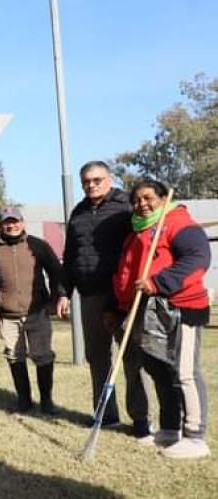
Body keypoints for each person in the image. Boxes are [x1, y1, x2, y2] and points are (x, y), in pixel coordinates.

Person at [113, 180, 211, 459]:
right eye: (137, 200)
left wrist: (159, 281)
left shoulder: (178, 222)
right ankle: (170, 428)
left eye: (148, 198)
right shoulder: (138, 231)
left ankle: (195, 437)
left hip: (182, 306)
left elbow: (198, 258)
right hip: (149, 309)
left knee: (185, 371)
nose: (142, 204)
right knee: (159, 368)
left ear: (162, 198)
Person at [61, 160, 152, 437]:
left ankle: (141, 419)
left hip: (123, 295)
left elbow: (145, 242)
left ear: (109, 179)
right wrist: (65, 292)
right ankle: (105, 415)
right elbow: (71, 255)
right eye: (86, 181)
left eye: (97, 180)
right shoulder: (78, 212)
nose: (92, 185)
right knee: (97, 358)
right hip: (90, 295)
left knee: (132, 357)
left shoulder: (127, 205)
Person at [0, 207, 67, 415]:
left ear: (22, 223)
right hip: (7, 314)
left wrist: (56, 297)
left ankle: (46, 401)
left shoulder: (38, 245)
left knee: (42, 356)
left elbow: (56, 272)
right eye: (7, 222)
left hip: (37, 311)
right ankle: (24, 401)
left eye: (15, 221)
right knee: (14, 356)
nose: (11, 225)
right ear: (1, 226)